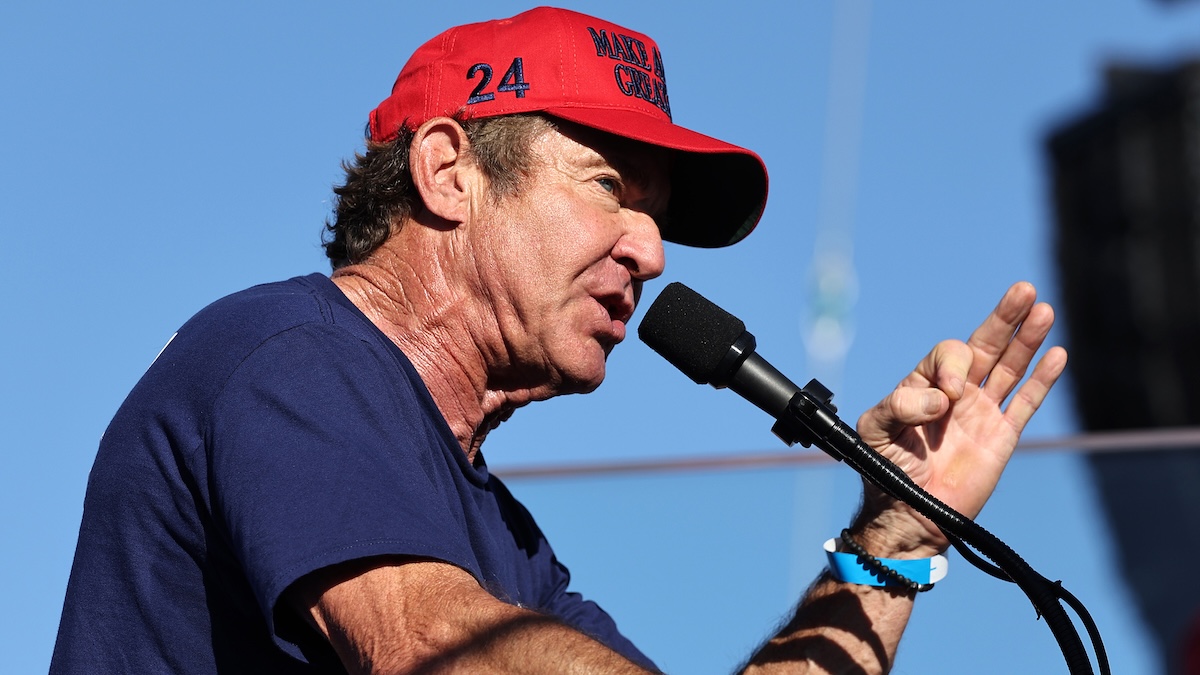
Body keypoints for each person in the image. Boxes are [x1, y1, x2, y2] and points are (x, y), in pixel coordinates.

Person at [50, 7, 1066, 674]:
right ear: (449, 172)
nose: (653, 252)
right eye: (611, 190)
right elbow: (429, 646)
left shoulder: (503, 544)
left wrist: (897, 536)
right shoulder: (289, 355)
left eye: (658, 216)